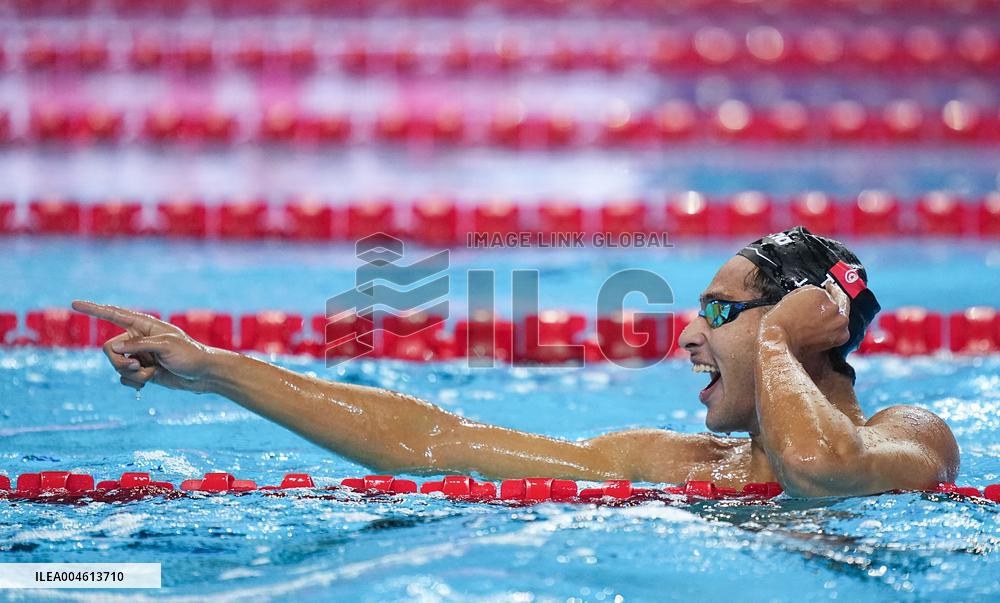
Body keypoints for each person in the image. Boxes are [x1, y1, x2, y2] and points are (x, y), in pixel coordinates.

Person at [72, 226, 959, 497]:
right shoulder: (679, 463)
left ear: (809, 325)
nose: (689, 334)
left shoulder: (914, 437)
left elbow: (818, 464)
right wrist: (216, 369)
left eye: (720, 311)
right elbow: (434, 440)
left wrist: (772, 341)